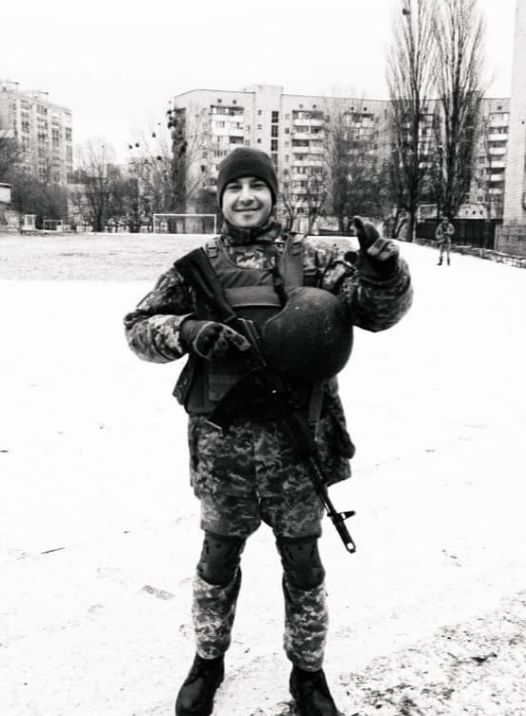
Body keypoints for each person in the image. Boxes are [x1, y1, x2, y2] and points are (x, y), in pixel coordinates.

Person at [123, 147, 413, 716]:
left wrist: (383, 272)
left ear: (274, 194)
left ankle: (308, 675)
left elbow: (376, 313)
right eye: (234, 187)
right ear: (221, 198)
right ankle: (208, 662)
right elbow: (137, 328)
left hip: (297, 443)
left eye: (257, 185)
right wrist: (189, 330)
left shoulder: (313, 260)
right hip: (222, 448)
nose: (246, 197)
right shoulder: (196, 266)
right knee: (217, 560)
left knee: (303, 565)